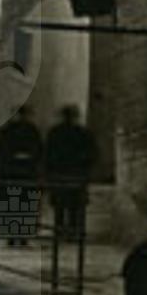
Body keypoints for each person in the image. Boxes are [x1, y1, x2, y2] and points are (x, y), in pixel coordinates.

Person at [44, 103, 97, 255]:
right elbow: (91, 153)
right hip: (76, 173)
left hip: (60, 173)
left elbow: (48, 154)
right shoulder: (82, 133)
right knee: (75, 206)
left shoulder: (55, 133)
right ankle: (73, 231)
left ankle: (60, 231)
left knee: (60, 206)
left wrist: (50, 171)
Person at [0, 104, 42, 248]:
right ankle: (20, 236)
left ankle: (15, 236)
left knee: (15, 206)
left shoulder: (9, 131)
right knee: (23, 206)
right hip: (23, 174)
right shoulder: (30, 131)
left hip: (13, 174)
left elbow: (0, 152)